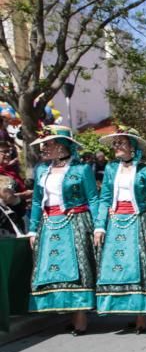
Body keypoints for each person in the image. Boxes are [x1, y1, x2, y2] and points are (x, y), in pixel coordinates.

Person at [26, 125, 99, 335]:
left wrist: (97, 227)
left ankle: (80, 317)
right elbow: (38, 202)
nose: (43, 148)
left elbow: (93, 198)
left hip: (74, 222)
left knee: (77, 268)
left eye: (47, 144)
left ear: (61, 146)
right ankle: (69, 312)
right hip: (49, 224)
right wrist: (32, 229)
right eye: (43, 144)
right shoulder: (41, 170)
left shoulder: (81, 169)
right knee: (54, 270)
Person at [93, 128, 146, 331]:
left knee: (139, 267)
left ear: (133, 147)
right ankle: (128, 309)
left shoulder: (145, 171)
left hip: (138, 221)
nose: (117, 147)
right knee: (117, 267)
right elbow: (105, 198)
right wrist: (99, 226)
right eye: (115, 143)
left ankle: (142, 315)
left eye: (121, 143)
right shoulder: (112, 169)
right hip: (115, 223)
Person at [0, 138, 30, 233]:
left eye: (9, 151)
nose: (8, 154)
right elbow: (6, 197)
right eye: (4, 152)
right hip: (7, 223)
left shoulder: (10, 172)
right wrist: (24, 195)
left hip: (19, 215)